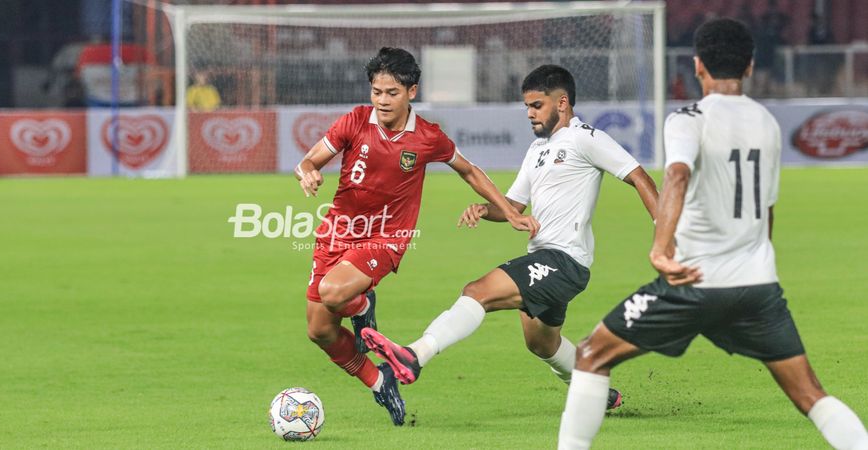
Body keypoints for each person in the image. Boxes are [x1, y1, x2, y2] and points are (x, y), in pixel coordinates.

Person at [557, 18, 868, 450]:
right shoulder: (769, 123)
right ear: (750, 67)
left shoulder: (687, 119)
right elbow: (767, 211)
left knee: (591, 355)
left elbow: (678, 175)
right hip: (757, 288)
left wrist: (661, 249)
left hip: (694, 283)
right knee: (810, 394)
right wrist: (760, 264)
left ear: (698, 65)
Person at [359, 65, 659, 411]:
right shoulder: (537, 150)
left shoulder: (585, 138)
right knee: (542, 344)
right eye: (527, 107)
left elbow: (639, 177)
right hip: (546, 257)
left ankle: (414, 355)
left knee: (477, 291)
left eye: (536, 105)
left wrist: (663, 230)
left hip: (564, 260)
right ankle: (596, 392)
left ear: (562, 103)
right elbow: (514, 205)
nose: (529, 114)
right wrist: (485, 210)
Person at [295, 47, 539, 426]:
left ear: (412, 91)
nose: (382, 100)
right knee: (319, 330)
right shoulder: (355, 121)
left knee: (333, 292)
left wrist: (509, 212)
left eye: (391, 92)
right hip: (339, 231)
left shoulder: (427, 137)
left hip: (388, 237)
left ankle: (361, 307)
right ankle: (379, 383)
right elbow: (308, 160)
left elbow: (470, 171)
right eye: (376, 92)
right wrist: (308, 172)